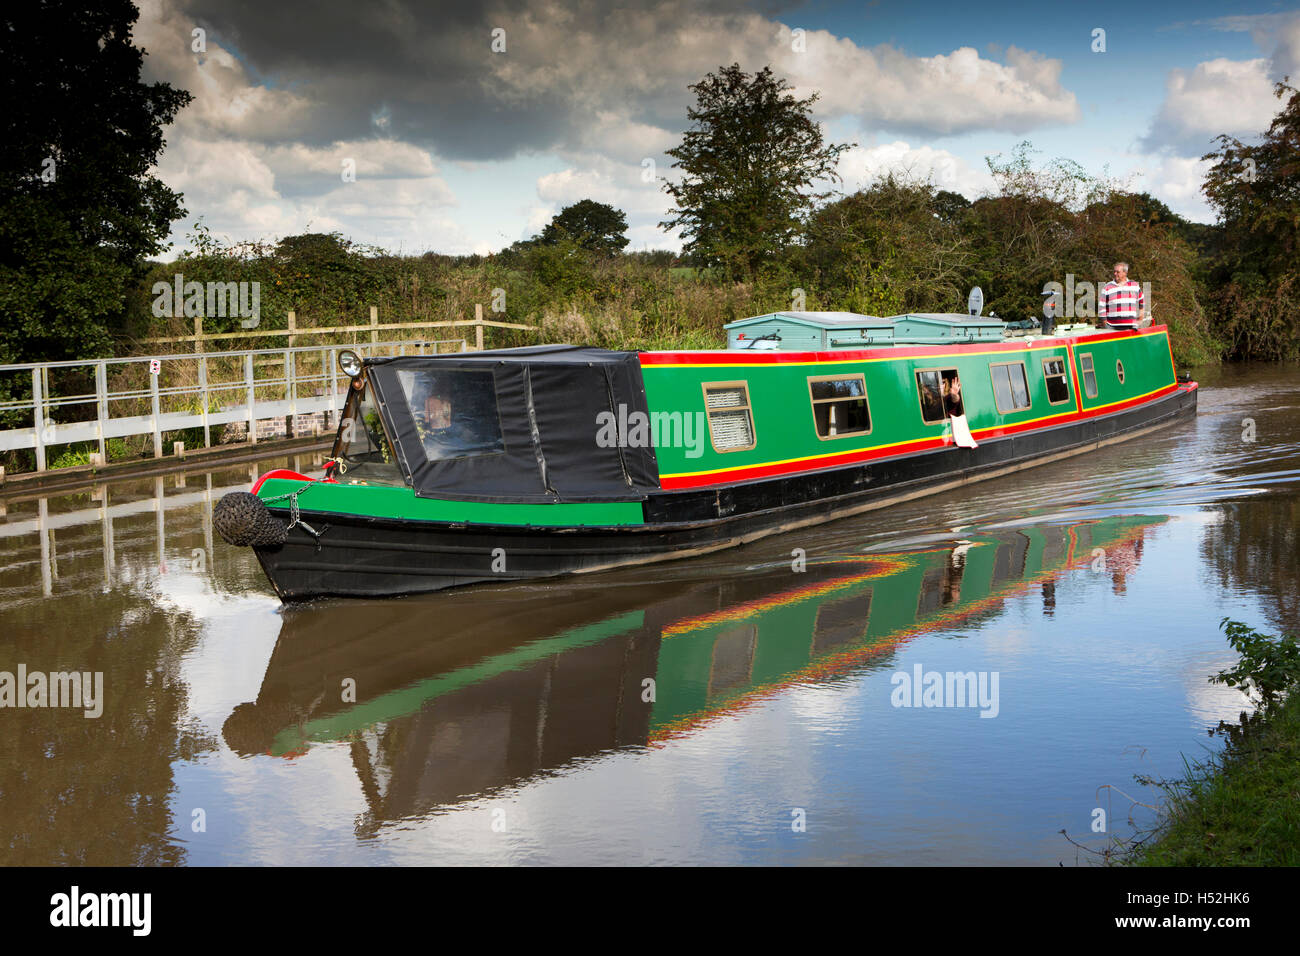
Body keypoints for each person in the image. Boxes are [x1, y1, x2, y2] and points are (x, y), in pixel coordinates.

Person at [1098, 262, 1146, 330]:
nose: (1115, 274)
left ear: (1125, 273)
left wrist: (1140, 318)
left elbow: (1142, 302)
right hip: (1112, 327)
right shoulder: (1107, 287)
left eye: (1118, 272)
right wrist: (1105, 323)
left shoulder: (1134, 285)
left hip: (1131, 327)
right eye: (1114, 272)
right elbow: (1101, 307)